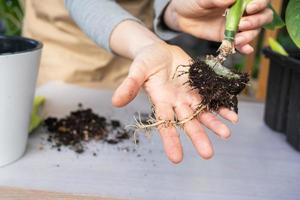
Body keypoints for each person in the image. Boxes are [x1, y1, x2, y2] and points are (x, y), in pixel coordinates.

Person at [23, 0, 273, 163]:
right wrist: (147, 45)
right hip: (62, 51)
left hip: (144, 61)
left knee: (124, 152)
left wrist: (173, 11)